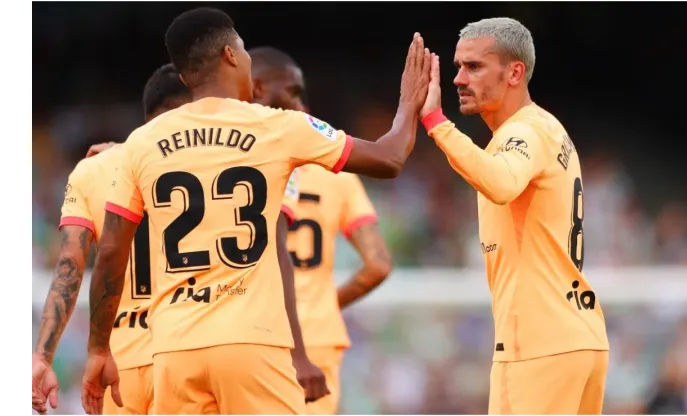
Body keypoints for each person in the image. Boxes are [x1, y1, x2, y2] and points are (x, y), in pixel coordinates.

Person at [80, 7, 431, 415]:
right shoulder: (276, 127)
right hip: (252, 342)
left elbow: (109, 252)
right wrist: (408, 102)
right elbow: (388, 159)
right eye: (244, 50)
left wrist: (98, 347)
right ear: (231, 55)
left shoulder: (142, 143)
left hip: (174, 349)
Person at [418, 17, 610, 414]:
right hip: (578, 338)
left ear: (514, 72)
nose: (458, 79)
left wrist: (435, 123)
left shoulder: (522, 133)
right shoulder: (546, 129)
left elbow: (501, 183)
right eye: (457, 67)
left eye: (474, 66)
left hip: (538, 346)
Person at [31, 63, 192, 415]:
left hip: (122, 365)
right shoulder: (218, 167)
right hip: (194, 355)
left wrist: (42, 356)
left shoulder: (94, 169)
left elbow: (68, 267)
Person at [249, 46, 393, 414]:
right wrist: (327, 306)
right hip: (316, 336)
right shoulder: (337, 175)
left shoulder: (233, 167)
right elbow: (378, 264)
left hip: (249, 332)